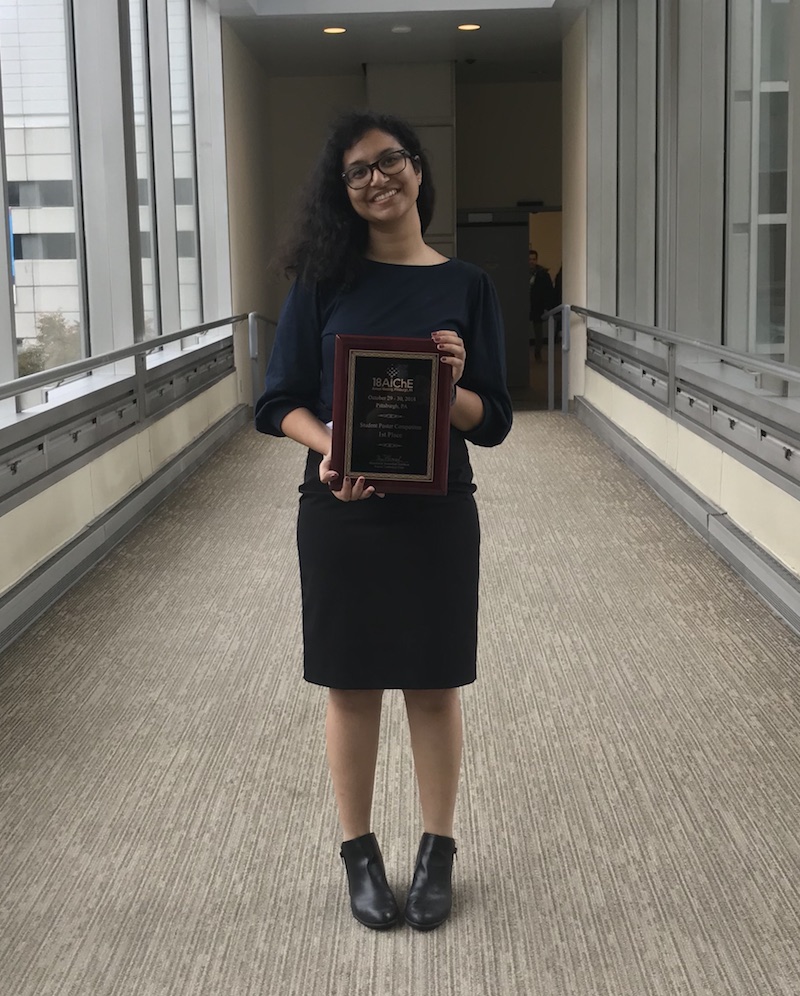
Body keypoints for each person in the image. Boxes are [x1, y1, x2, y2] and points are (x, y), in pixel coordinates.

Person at [254, 110, 512, 932]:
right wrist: (329, 450)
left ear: (416, 168)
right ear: (345, 192)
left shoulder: (467, 285)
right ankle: (359, 853)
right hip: (340, 507)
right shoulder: (324, 284)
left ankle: (438, 850)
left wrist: (456, 378)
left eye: (388, 161)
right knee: (353, 683)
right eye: (358, 171)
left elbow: (493, 418)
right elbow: (276, 401)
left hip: (437, 512)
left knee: (434, 685)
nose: (377, 179)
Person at [529, 248, 554, 361]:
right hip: (526, 305)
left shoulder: (542, 274)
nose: (532, 262)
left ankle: (537, 352)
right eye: (529, 259)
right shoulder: (520, 273)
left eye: (534, 259)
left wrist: (547, 307)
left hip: (537, 306)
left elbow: (548, 291)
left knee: (538, 332)